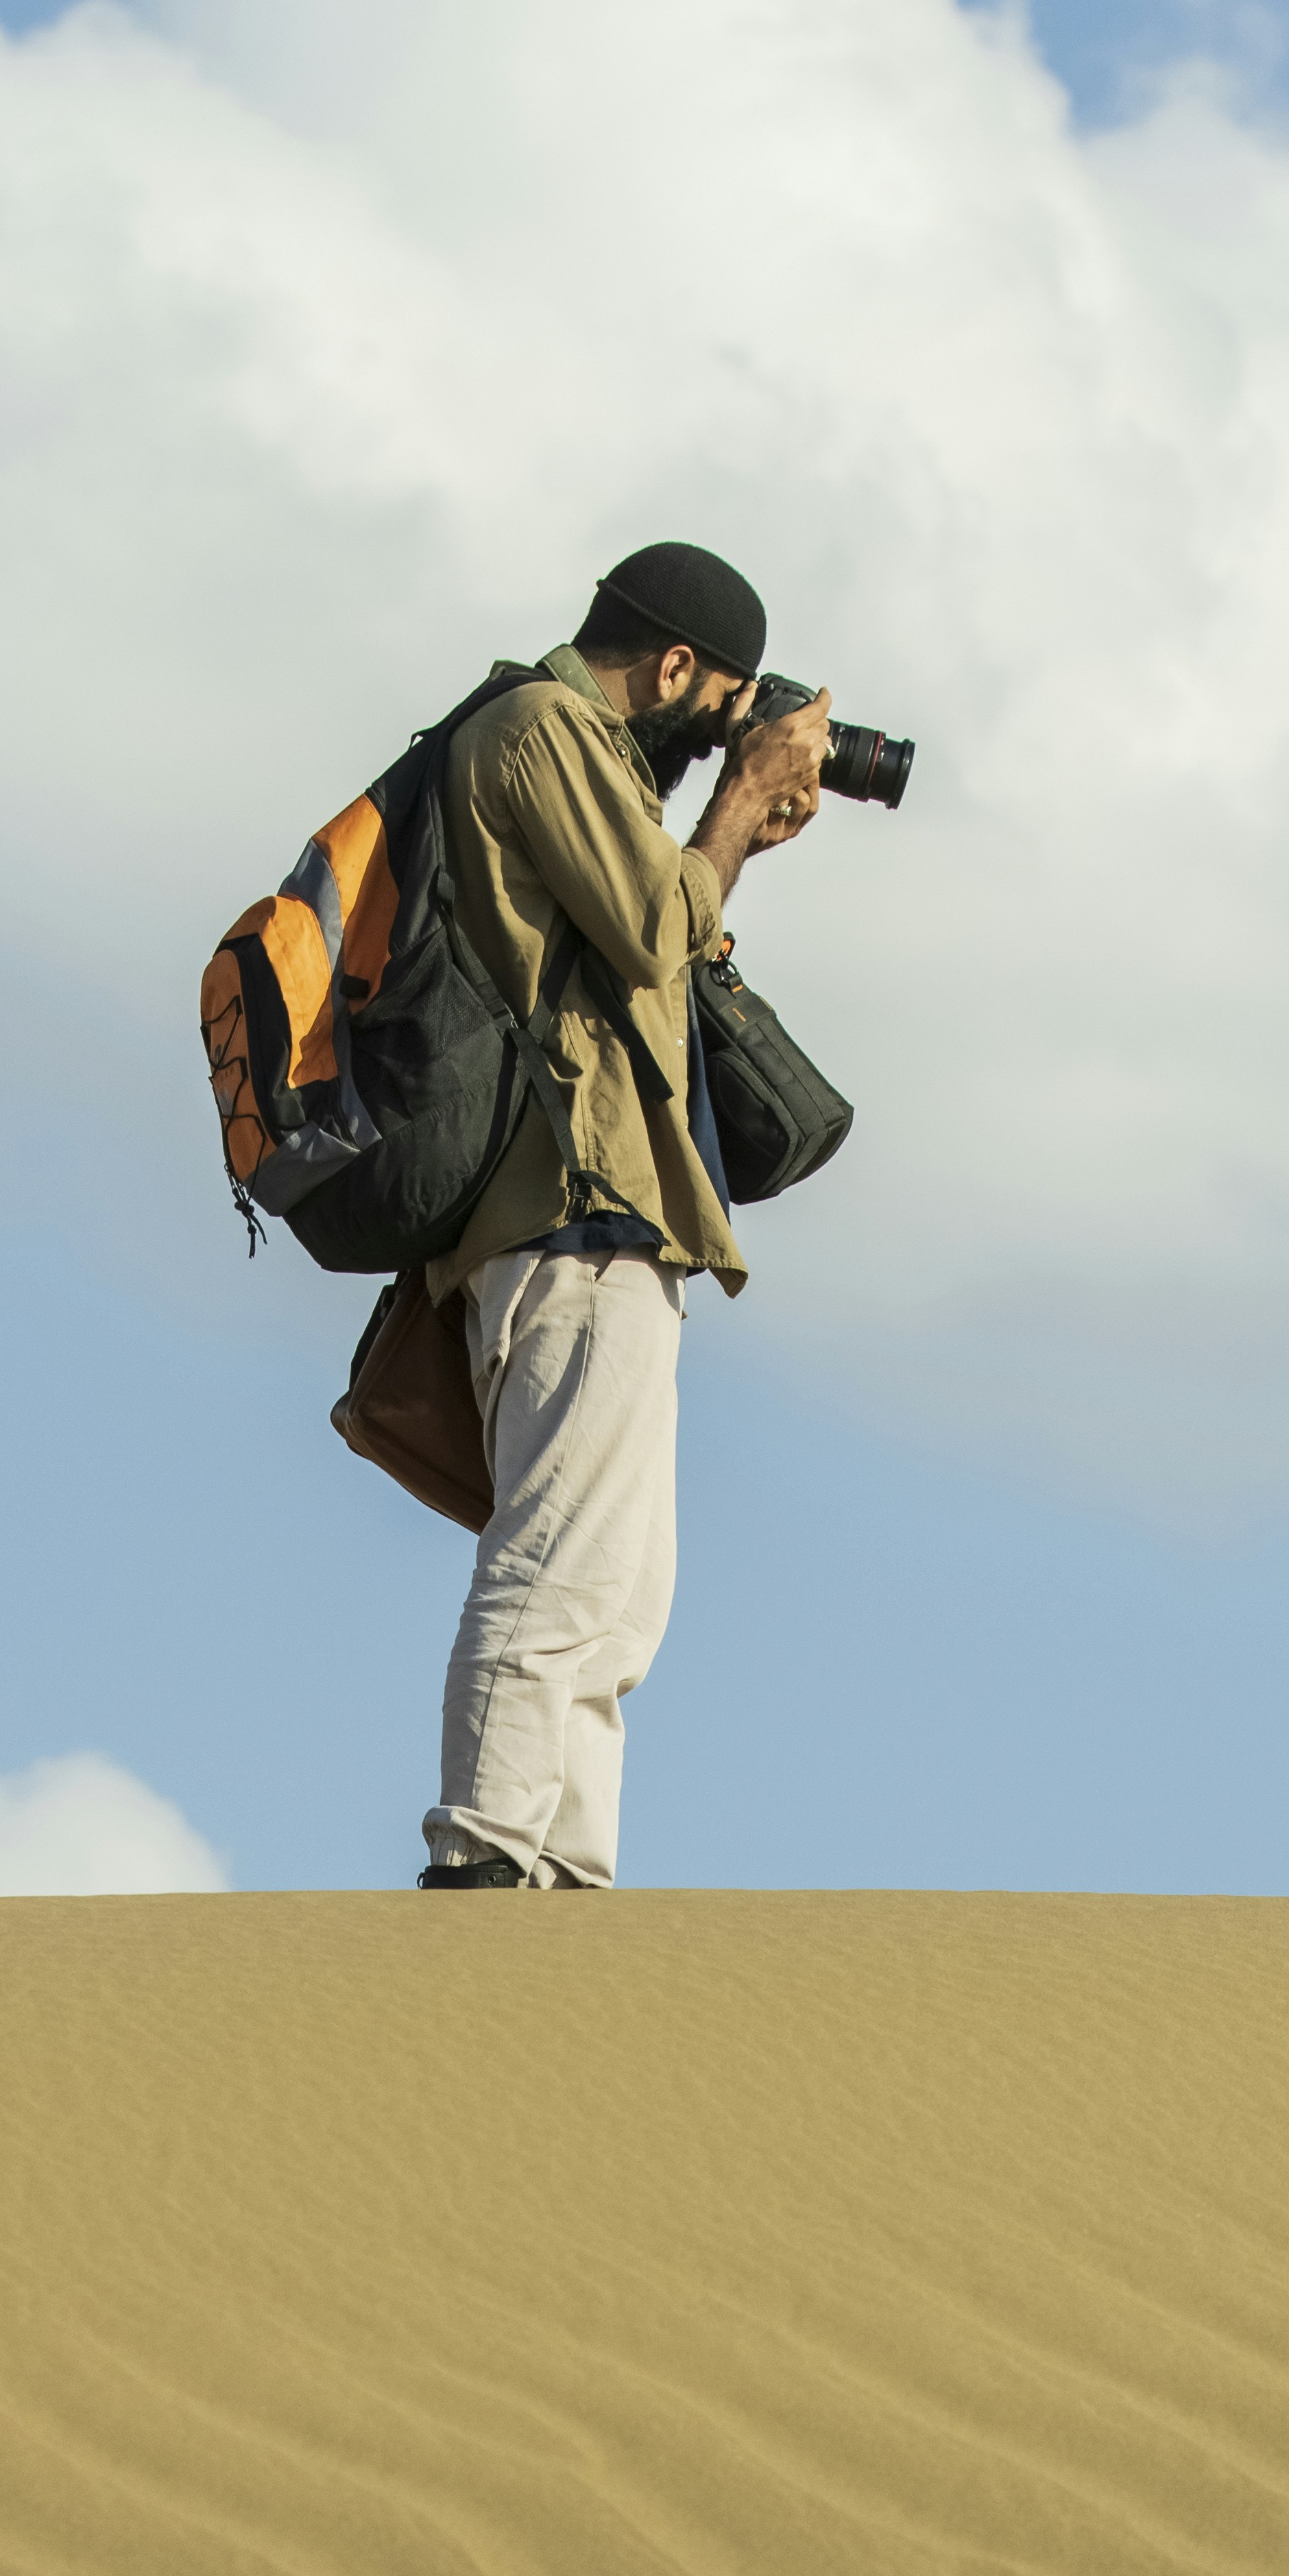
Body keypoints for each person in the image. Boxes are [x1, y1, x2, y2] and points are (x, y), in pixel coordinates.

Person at [416, 540, 832, 1892]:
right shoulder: (539, 730)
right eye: (724, 707)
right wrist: (738, 806)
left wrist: (740, 827)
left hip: (623, 1226)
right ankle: (482, 1862)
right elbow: (657, 922)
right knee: (555, 1561)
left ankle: (567, 1889)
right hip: (568, 1218)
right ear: (673, 667)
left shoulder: (591, 770)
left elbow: (657, 937)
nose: (725, 737)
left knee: (614, 1600)